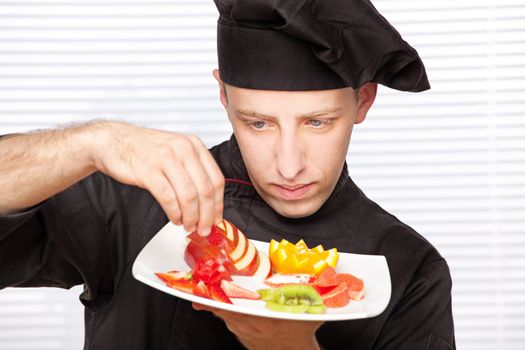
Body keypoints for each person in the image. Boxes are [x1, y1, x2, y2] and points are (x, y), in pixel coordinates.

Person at [0, 0, 455, 349]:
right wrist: (90, 143)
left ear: (364, 101)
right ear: (222, 94)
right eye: (258, 122)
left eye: (318, 122)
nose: (289, 165)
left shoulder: (409, 268)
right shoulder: (133, 199)